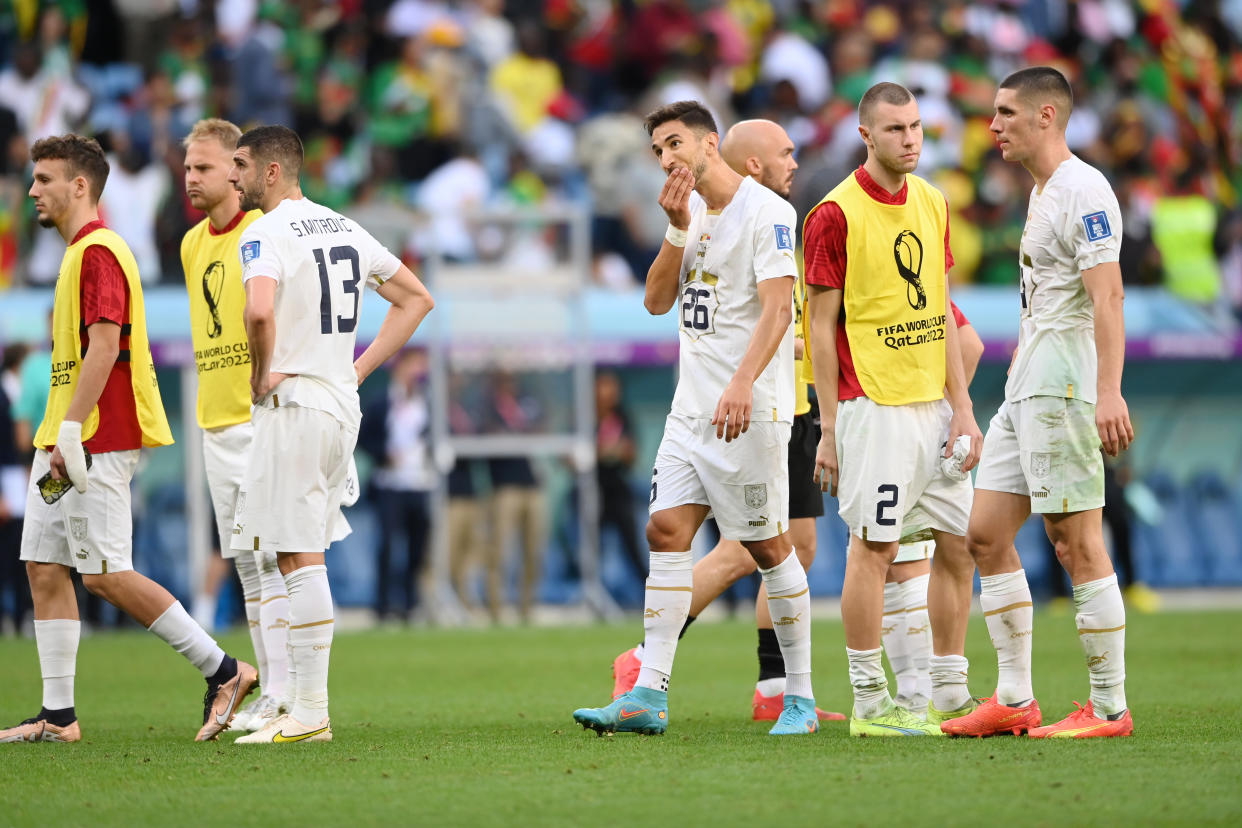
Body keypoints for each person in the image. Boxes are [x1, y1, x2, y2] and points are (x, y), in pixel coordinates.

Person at [1, 134, 256, 744]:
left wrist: (69, 429)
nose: (33, 190)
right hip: (64, 439)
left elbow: (107, 345)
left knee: (106, 574)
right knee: (43, 566)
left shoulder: (100, 252)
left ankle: (224, 670)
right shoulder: (76, 253)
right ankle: (58, 716)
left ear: (79, 186)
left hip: (96, 438)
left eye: (43, 179)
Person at [573, 101, 817, 736]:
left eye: (675, 143)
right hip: (691, 412)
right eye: (657, 150)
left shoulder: (769, 211)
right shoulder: (690, 214)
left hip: (750, 411)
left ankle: (799, 698)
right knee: (665, 530)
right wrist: (676, 228)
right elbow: (656, 302)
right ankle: (648, 695)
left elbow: (777, 308)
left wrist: (742, 381)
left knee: (768, 547)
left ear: (711, 143)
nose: (666, 158)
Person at [944, 67, 1135, 739]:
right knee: (985, 533)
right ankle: (1016, 698)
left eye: (1004, 113)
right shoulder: (1043, 190)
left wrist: (1108, 390)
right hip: (1027, 383)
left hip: (1065, 382)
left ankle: (1109, 707)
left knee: (1074, 541)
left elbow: (1106, 296)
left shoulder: (1084, 189)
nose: (992, 125)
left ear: (1046, 115)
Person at [227, 125, 434, 744]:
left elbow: (258, 311)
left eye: (240, 164)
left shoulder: (261, 233)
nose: (233, 175)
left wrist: (262, 373)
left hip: (295, 406)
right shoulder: (342, 225)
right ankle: (301, 707)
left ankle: (310, 712)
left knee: (295, 556)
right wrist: (359, 368)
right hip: (340, 404)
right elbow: (416, 299)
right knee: (296, 552)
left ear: (271, 171)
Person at [804, 82, 983, 737]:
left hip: (934, 406)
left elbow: (939, 312)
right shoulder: (832, 214)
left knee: (959, 548)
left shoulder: (934, 202)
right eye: (895, 129)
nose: (910, 139)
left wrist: (963, 408)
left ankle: (949, 693)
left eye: (916, 128)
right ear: (865, 136)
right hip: (871, 407)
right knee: (873, 549)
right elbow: (820, 327)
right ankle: (871, 702)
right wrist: (827, 426)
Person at [179, 117, 295, 733]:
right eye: (188, 167)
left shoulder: (264, 229)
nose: (191, 179)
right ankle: (273, 693)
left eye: (204, 167)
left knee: (279, 558)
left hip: (264, 418)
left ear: (238, 168)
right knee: (250, 564)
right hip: (216, 425)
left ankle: (292, 698)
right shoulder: (192, 242)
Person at [879, 306, 984, 719]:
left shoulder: (870, 271)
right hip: (928, 424)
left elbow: (970, 344)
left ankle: (915, 692)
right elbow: (971, 344)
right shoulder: (923, 284)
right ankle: (928, 690)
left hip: (882, 421)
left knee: (888, 558)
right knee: (902, 561)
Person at [358, 348, 435, 623]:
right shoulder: (382, 402)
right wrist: (383, 455)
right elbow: (363, 437)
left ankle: (410, 604)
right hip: (389, 484)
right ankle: (382, 605)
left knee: (417, 546)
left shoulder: (426, 402)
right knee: (388, 546)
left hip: (419, 482)